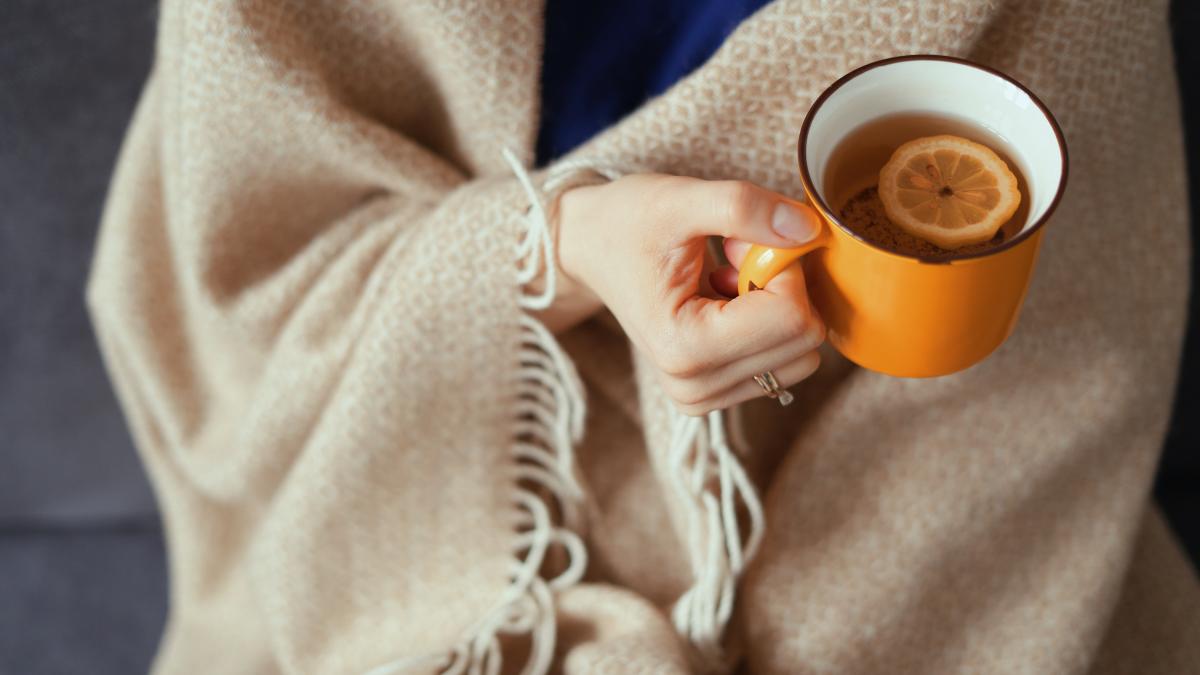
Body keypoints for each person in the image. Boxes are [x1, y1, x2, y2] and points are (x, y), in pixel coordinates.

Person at [88, 1, 1200, 673]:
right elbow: (238, 294)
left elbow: (1058, 366)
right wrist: (550, 248)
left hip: (917, 545)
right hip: (399, 526)